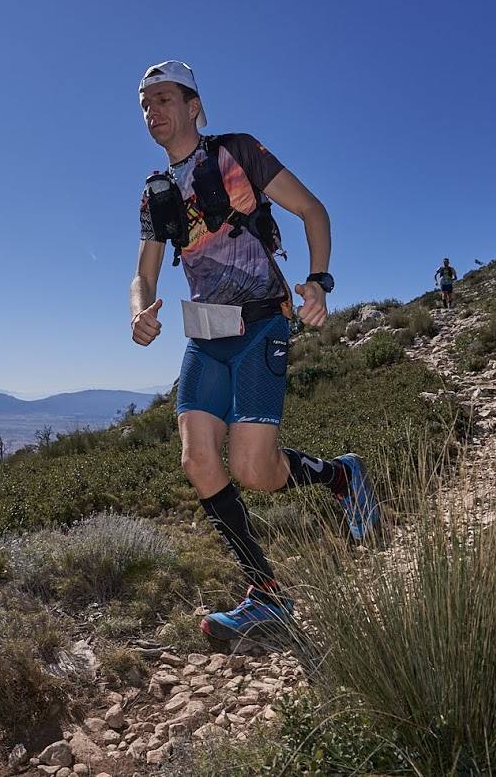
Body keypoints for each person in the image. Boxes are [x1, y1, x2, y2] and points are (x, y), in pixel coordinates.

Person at [129, 61, 379, 642]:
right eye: (144, 104)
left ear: (194, 105)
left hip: (262, 323)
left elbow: (313, 209)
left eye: (163, 98)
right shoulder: (155, 191)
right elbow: (141, 273)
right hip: (204, 335)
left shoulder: (237, 152)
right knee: (197, 461)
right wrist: (139, 310)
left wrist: (319, 280)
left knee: (253, 471)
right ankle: (267, 594)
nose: (153, 112)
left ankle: (340, 477)